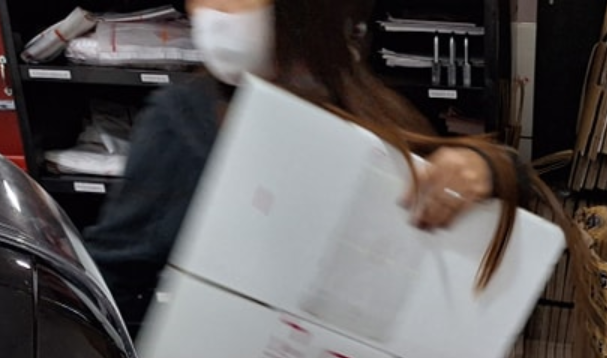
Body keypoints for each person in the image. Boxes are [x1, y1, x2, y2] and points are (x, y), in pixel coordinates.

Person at [84, 0, 528, 332]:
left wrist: (481, 167)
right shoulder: (182, 119)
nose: (216, 11)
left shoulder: (359, 98)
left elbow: (497, 174)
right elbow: (109, 281)